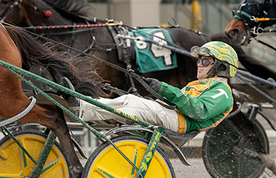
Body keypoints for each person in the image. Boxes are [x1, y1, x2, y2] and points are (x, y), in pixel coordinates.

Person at [79, 41, 238, 134]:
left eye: (205, 62)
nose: (199, 65)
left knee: (135, 108)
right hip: (171, 115)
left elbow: (199, 111)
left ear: (221, 67)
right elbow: (179, 102)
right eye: (199, 61)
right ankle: (82, 106)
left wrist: (163, 89)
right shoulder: (198, 85)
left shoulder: (223, 93)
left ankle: (82, 112)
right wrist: (158, 94)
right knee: (130, 99)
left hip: (180, 123)